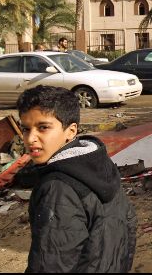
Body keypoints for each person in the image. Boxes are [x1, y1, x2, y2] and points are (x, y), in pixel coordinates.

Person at [17, 85, 136, 272]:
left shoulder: (57, 188)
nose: (30, 138)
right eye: (25, 129)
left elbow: (50, 264)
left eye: (43, 128)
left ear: (71, 131)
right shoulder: (98, 163)